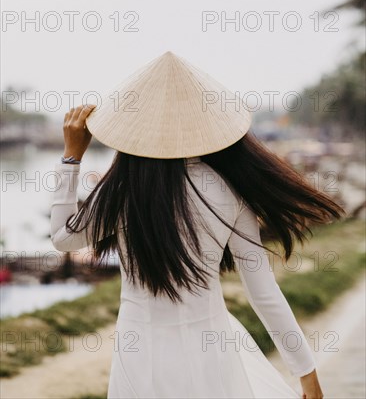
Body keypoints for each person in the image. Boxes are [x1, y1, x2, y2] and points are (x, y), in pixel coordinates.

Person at [50, 51, 345, 398]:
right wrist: (306, 372)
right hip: (212, 346)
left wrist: (72, 157)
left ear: (136, 127)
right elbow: (263, 293)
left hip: (138, 349)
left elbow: (62, 237)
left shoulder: (122, 189)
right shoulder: (228, 189)